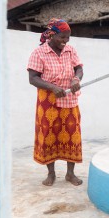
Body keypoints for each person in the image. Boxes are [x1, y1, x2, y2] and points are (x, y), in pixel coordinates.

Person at [27, 18, 84, 186]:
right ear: (51, 35)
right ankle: (51, 174)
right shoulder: (39, 53)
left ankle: (70, 174)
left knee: (72, 135)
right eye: (62, 38)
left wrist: (76, 79)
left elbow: (79, 68)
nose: (65, 42)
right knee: (48, 135)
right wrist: (52, 87)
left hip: (69, 98)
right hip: (48, 101)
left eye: (68, 38)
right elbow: (32, 78)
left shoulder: (70, 50)